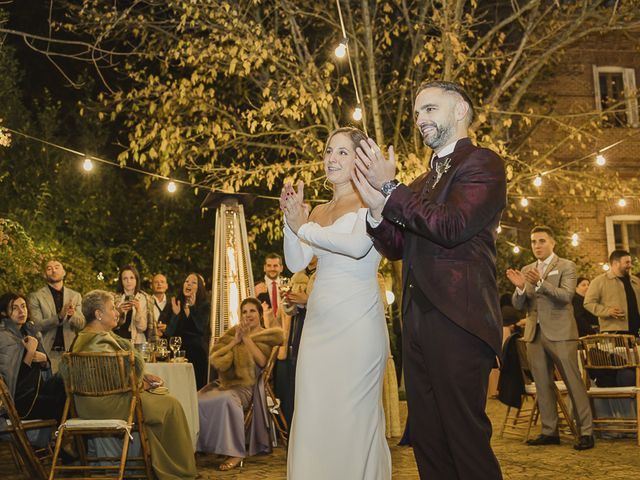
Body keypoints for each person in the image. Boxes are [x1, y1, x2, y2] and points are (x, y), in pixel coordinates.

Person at [352, 80, 504, 479]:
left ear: (460, 111)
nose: (420, 119)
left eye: (430, 109)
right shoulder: (420, 183)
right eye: (417, 112)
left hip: (459, 318)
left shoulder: (483, 163)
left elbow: (452, 226)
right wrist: (375, 210)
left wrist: (390, 187)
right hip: (417, 320)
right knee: (427, 438)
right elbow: (399, 246)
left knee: (464, 437)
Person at [281, 126, 392, 479]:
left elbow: (358, 247)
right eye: (330, 151)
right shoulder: (317, 210)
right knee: (314, 412)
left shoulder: (371, 199)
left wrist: (304, 227)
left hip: (358, 324)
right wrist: (290, 222)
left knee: (352, 416)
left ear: (359, 158)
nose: (332, 158)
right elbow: (297, 262)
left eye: (343, 152)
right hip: (318, 326)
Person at [65, 290, 197, 480]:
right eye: (112, 308)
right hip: (110, 405)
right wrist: (142, 383)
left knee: (159, 399)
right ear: (98, 314)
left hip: (85, 405)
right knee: (170, 405)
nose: (117, 312)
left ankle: (146, 465)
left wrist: (142, 378)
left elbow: (107, 376)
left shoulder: (82, 338)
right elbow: (117, 380)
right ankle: (177, 471)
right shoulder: (100, 342)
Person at [507, 225, 594, 450]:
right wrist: (518, 289)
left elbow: (566, 297)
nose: (537, 245)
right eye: (534, 241)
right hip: (534, 334)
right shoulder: (527, 268)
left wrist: (539, 283)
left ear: (552, 243)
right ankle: (549, 431)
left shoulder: (566, 266)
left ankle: (586, 432)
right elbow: (520, 305)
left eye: (542, 241)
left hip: (561, 333)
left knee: (573, 383)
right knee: (543, 385)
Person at [197, 297, 283, 470]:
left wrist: (246, 339)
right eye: (244, 311)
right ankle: (203, 446)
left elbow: (262, 362)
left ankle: (235, 452)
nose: (248, 315)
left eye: (252, 311)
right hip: (224, 383)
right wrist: (235, 341)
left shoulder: (267, 335)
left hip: (247, 386)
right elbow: (216, 360)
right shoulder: (232, 333)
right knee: (197, 400)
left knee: (227, 399)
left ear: (259, 313)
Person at [0, 293, 65, 421]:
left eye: (23, 306)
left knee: (65, 382)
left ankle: (61, 437)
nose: (21, 311)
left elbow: (45, 367)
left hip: (36, 390)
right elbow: (15, 382)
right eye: (14, 308)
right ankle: (61, 438)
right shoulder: (4, 337)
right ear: (3, 313)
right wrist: (30, 353)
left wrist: (44, 360)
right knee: (62, 403)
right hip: (20, 400)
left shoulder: (29, 330)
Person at [28, 259, 84, 372]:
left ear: (64, 272)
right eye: (49, 268)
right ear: (44, 274)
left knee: (69, 389)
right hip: (47, 353)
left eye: (57, 267)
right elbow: (37, 325)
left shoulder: (75, 296)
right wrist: (59, 317)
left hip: (70, 353)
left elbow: (82, 324)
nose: (53, 270)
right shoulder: (36, 296)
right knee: (49, 388)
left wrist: (71, 315)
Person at [165, 272, 211, 389]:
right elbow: (169, 333)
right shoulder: (176, 303)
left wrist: (192, 308)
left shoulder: (204, 305)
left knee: (196, 389)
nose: (188, 284)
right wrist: (175, 315)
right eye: (187, 281)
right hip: (177, 354)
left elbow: (200, 329)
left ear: (199, 288)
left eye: (193, 282)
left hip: (197, 355)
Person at [584, 249, 640, 336]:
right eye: (627, 262)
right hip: (614, 331)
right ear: (615, 263)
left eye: (630, 262)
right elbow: (588, 303)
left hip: (637, 330)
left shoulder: (636, 281)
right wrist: (607, 311)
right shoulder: (599, 281)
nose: (630, 265)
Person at [113, 265, 157, 345]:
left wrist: (138, 310)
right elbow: (110, 325)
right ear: (121, 281)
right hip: (118, 342)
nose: (128, 281)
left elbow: (142, 328)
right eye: (125, 278)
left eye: (131, 278)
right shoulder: (114, 298)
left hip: (137, 343)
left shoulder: (145, 299)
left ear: (137, 279)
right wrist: (119, 312)